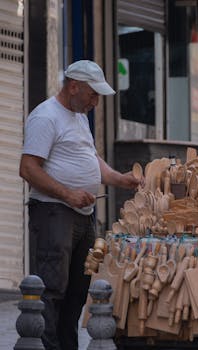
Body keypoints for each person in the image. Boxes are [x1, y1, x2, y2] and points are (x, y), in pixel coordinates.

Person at [19, 60, 143, 350]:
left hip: (82, 217)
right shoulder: (46, 116)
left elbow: (90, 157)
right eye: (92, 94)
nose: (95, 102)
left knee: (78, 290)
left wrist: (117, 178)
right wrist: (67, 194)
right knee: (52, 289)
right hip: (54, 213)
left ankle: (67, 346)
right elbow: (28, 168)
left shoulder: (78, 116)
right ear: (73, 87)